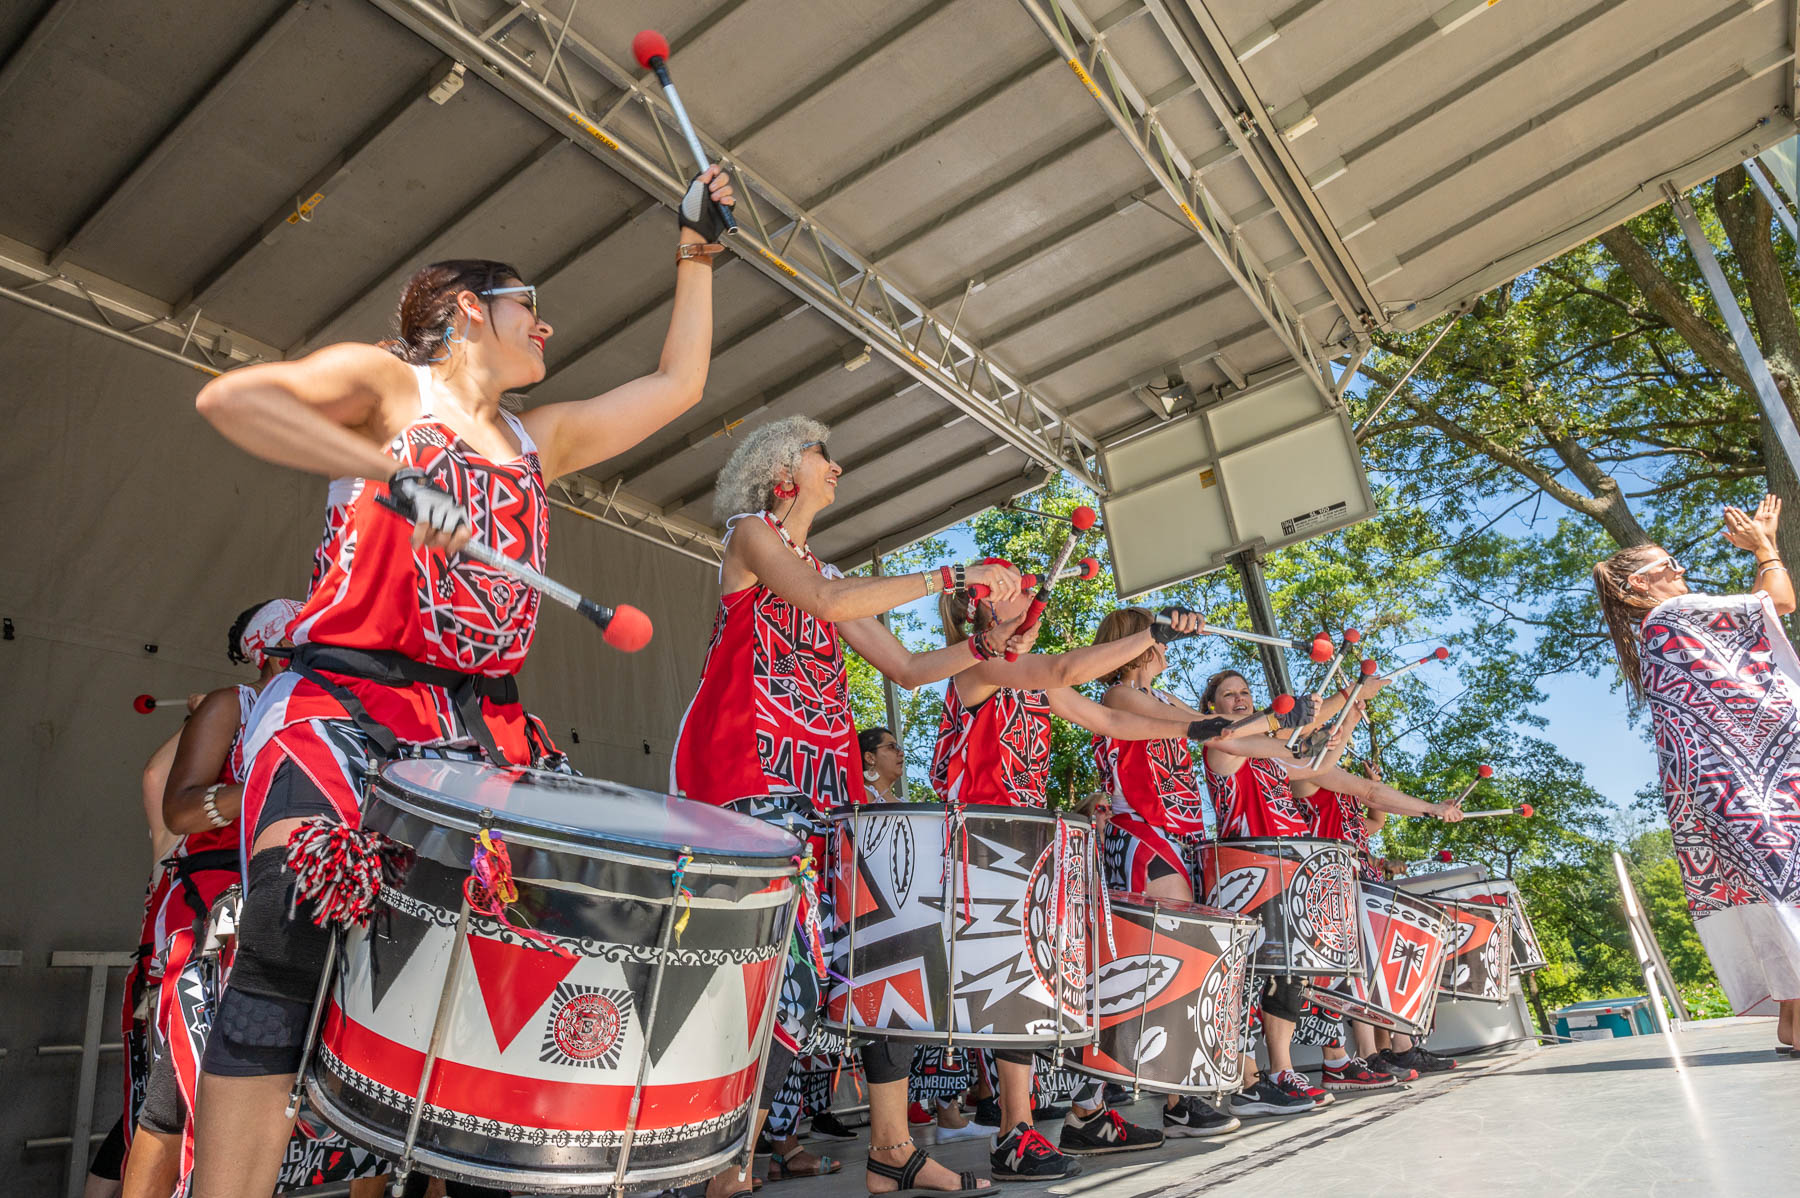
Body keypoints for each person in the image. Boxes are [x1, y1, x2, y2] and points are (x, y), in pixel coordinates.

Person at [186, 163, 738, 1198]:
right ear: (463, 312)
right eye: (532, 309)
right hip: (343, 712)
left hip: (476, 741)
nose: (549, 330)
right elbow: (236, 397)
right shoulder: (392, 389)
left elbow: (679, 388)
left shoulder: (539, 441)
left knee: (520, 971)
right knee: (282, 954)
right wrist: (392, 471)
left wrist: (694, 259)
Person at [672, 416, 1028, 1198]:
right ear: (781, 471)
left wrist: (991, 646)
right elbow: (826, 601)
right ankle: (717, 1167)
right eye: (821, 453)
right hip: (752, 786)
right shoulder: (749, 535)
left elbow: (905, 667)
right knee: (782, 984)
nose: (838, 465)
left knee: (884, 959)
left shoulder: (819, 567)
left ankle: (892, 1150)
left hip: (825, 798)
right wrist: (950, 578)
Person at [931, 585, 1227, 1178]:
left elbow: (1108, 717)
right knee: (1006, 989)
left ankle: (1057, 1121)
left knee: (1030, 986)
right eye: (1015, 603)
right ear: (984, 618)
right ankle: (1013, 1131)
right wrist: (1153, 632)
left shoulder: (1034, 683)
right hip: (979, 843)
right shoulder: (980, 666)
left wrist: (1200, 731)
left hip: (1022, 843)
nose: (1032, 612)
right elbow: (1071, 670)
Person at [1196, 669, 1463, 1116]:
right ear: (1212, 707)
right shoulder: (1221, 746)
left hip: (1293, 874)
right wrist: (1345, 696)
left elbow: (1359, 785)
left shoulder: (1276, 757)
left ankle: (1280, 1073)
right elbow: (1280, 735)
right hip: (1246, 875)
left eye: (1245, 692)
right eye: (1229, 695)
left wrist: (1430, 808)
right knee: (1244, 983)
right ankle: (1244, 1080)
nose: (1240, 699)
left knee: (1288, 979)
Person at [1594, 495, 1800, 1049]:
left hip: (1734, 783)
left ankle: (1792, 1018)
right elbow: (1779, 600)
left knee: (1779, 885)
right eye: (1667, 565)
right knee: (1784, 882)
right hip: (1742, 786)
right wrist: (1765, 547)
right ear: (1636, 585)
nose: (1680, 569)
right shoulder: (1672, 617)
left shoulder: (1664, 625)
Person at [122, 601, 299, 1198]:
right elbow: (175, 805)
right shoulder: (237, 704)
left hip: (281, 906)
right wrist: (255, 791)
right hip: (212, 905)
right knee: (179, 1093)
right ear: (279, 651)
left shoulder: (325, 715)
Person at [1086, 608, 1241, 1137]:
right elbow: (1202, 729)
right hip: (1144, 835)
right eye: (1158, 634)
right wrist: (1230, 725)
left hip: (1180, 834)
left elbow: (1226, 738)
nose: (1168, 644)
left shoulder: (1163, 698)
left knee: (1180, 961)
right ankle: (1161, 1094)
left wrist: (1299, 729)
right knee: (1167, 960)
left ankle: (1176, 1093)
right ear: (1142, 642)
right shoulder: (1119, 696)